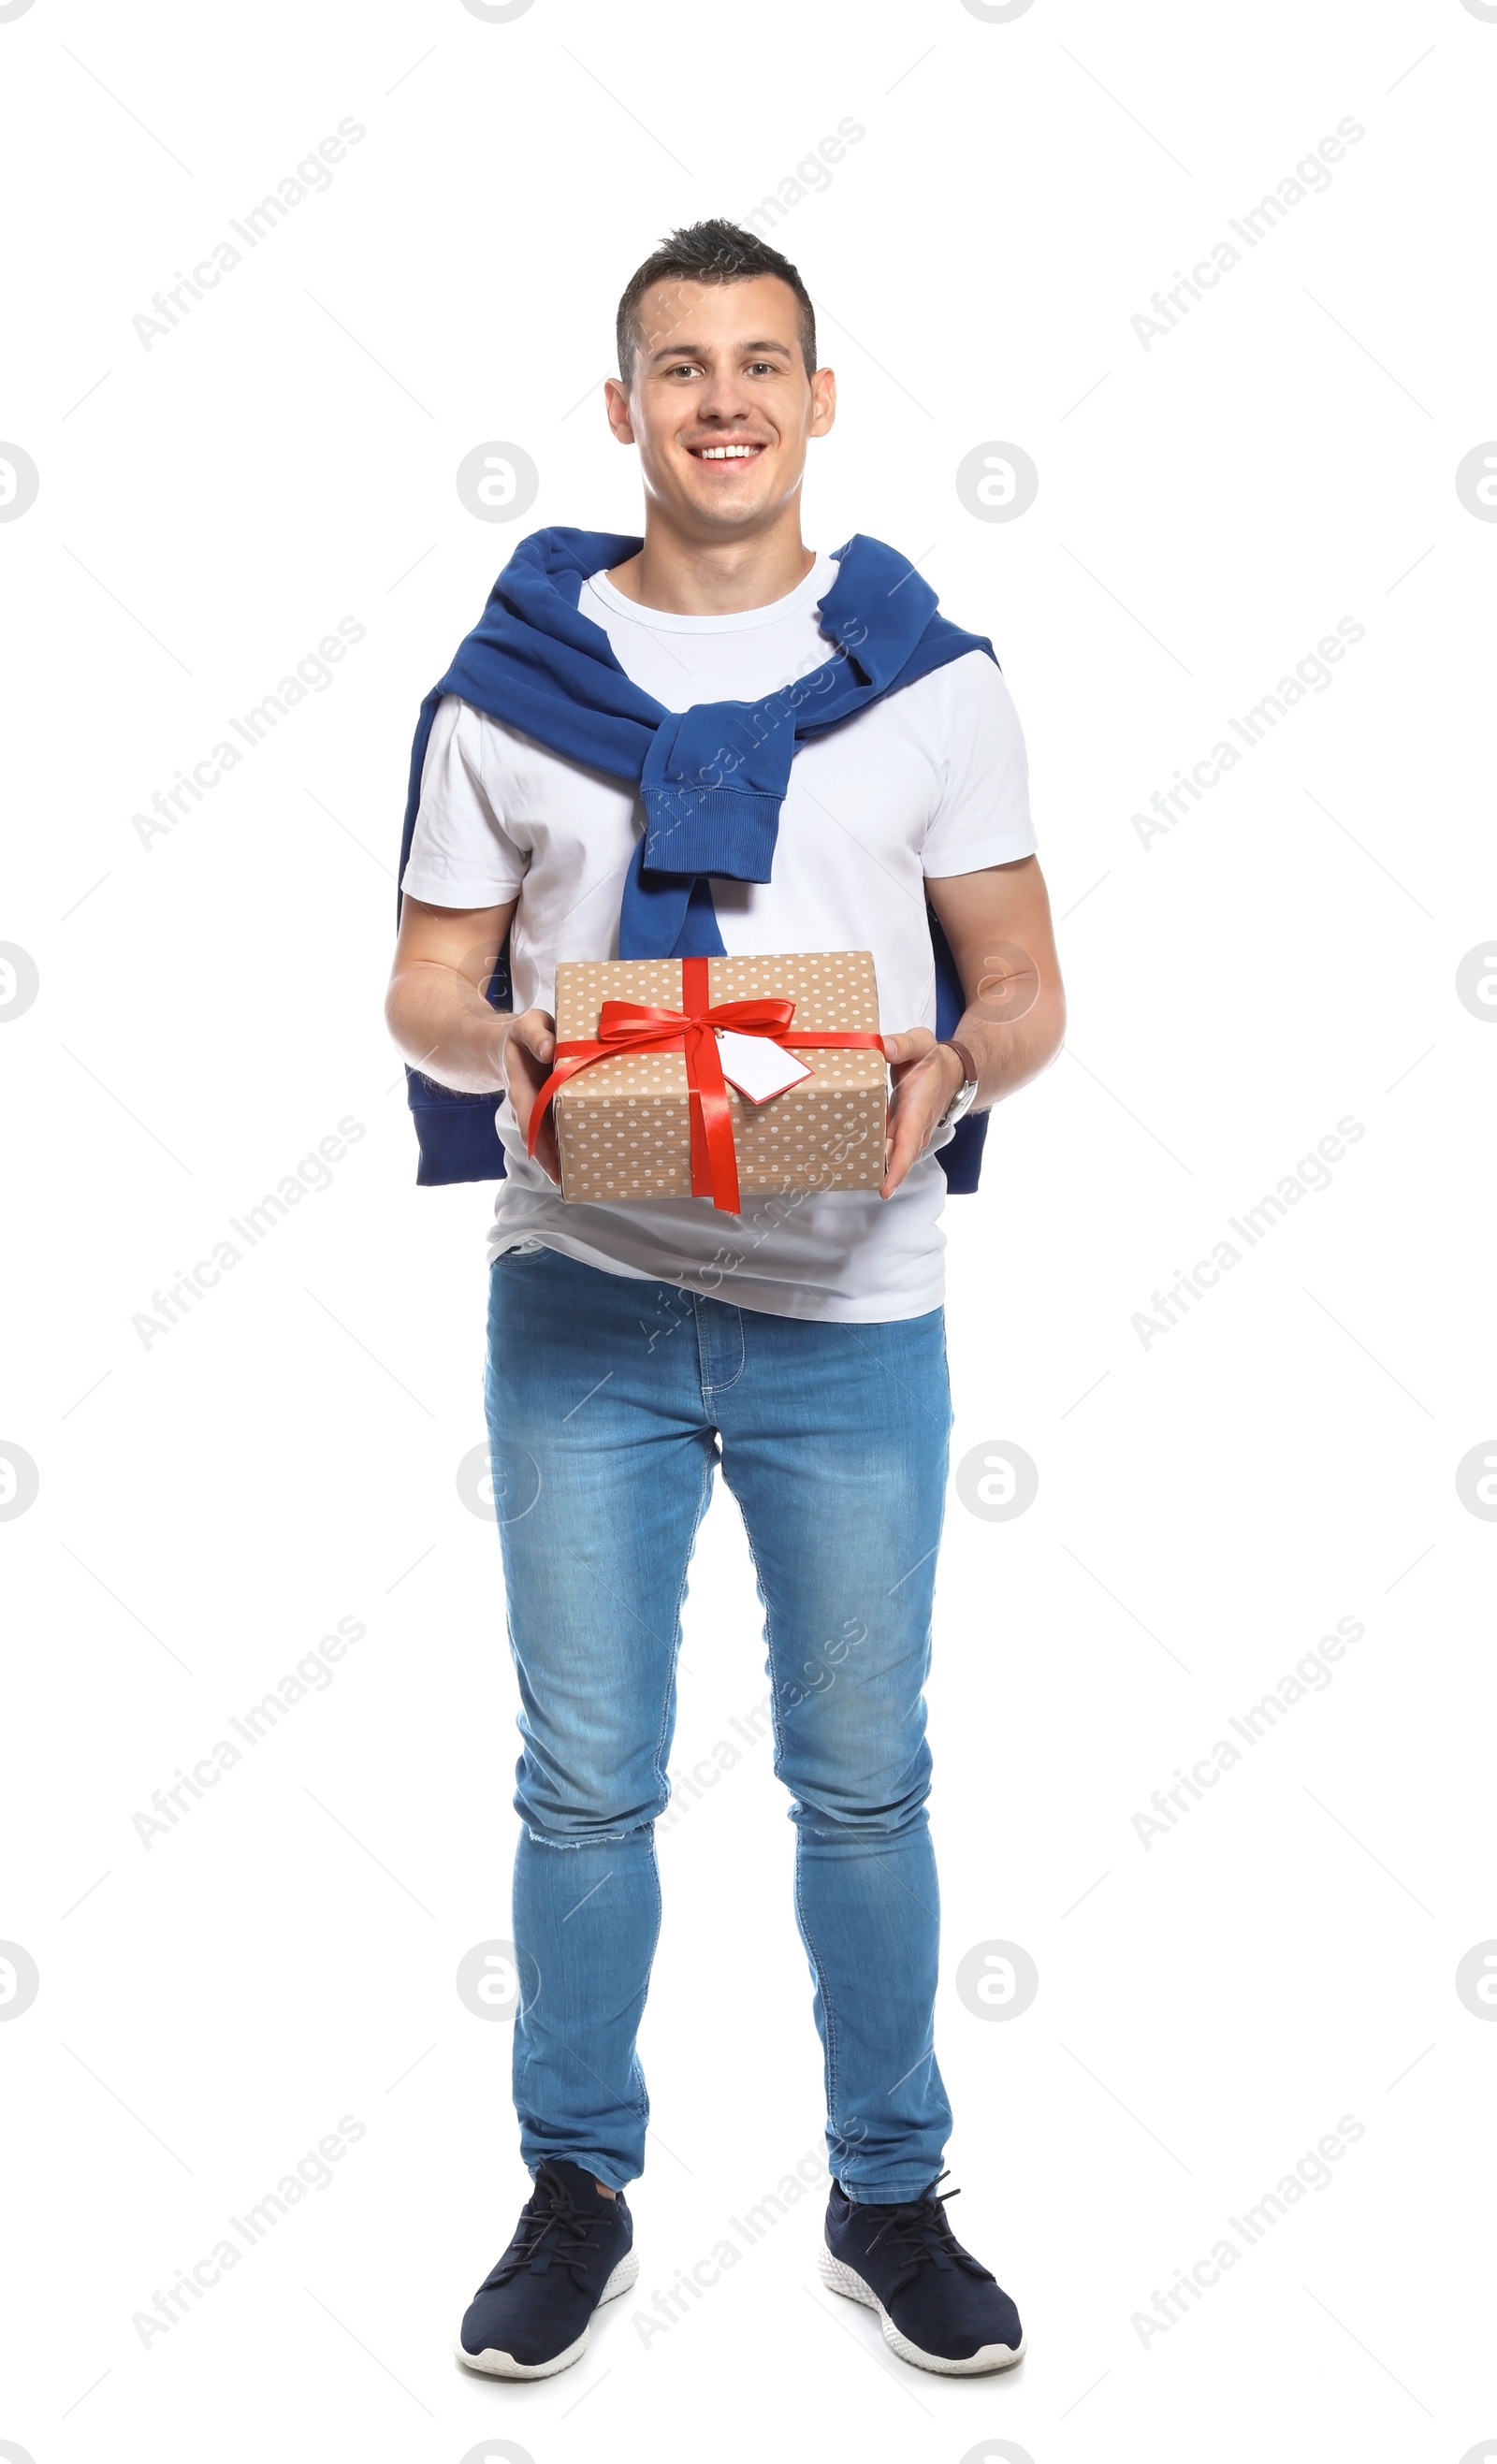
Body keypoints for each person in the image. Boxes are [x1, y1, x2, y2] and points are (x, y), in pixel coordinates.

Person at [385, 219, 1066, 2383]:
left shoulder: (930, 684)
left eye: (761, 361)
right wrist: (479, 1039)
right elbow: (419, 974)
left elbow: (1028, 985)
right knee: (581, 1785)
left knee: (861, 1778)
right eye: (677, 367)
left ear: (818, 399)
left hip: (850, 1312)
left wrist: (949, 1066)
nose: (722, 399)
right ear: (619, 414)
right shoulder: (509, 684)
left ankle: (888, 2195)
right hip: (579, 1290)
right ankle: (574, 2188)